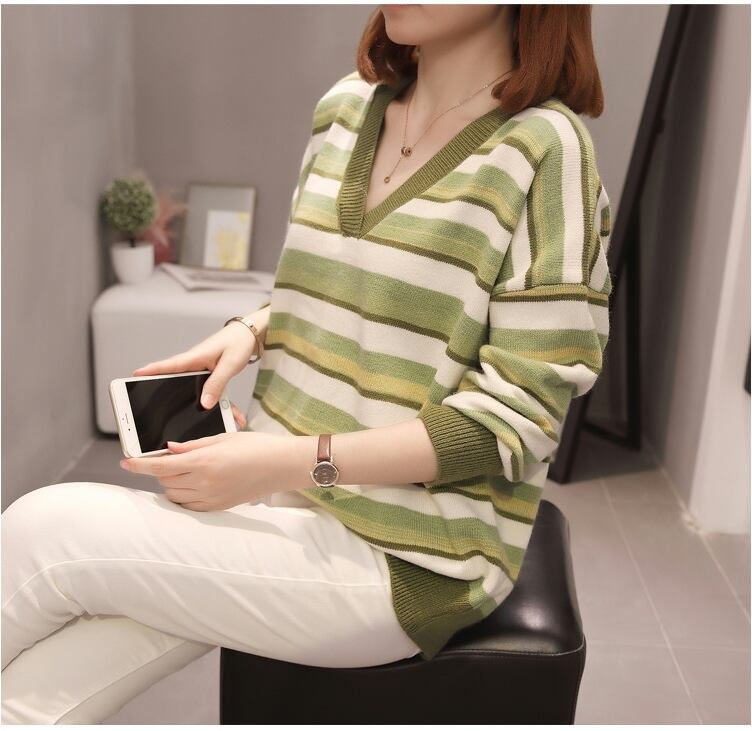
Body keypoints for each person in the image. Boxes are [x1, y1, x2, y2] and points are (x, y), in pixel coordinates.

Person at [1, 4, 613, 723]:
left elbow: (514, 422)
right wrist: (255, 329)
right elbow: (354, 285)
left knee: (45, 532)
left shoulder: (545, 151)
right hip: (282, 501)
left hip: (409, 554)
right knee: (31, 697)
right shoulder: (345, 110)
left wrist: (289, 462)